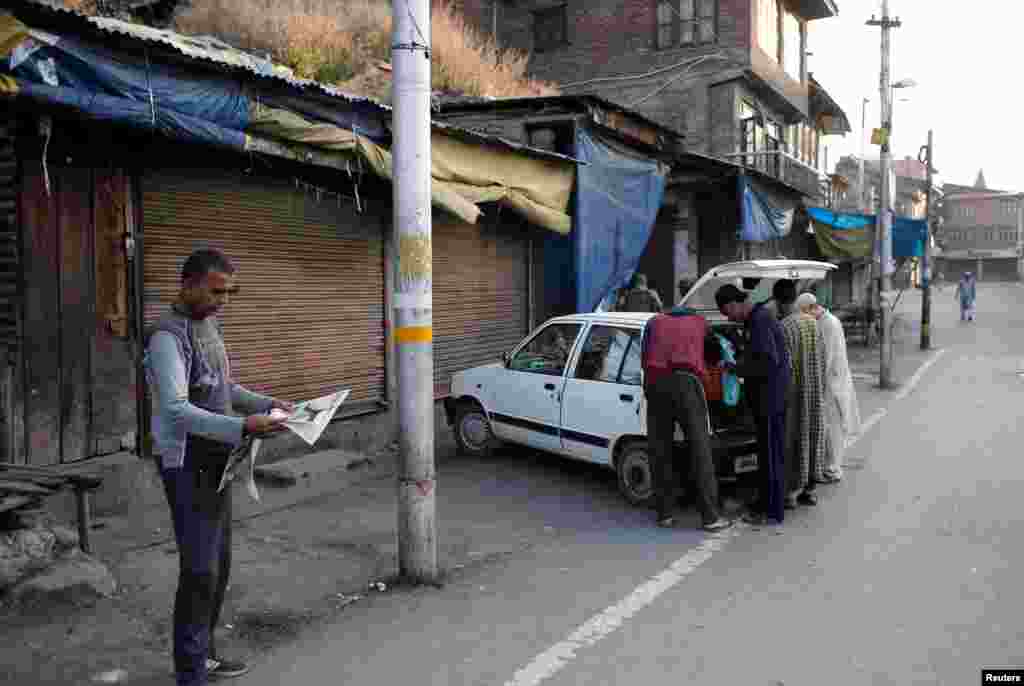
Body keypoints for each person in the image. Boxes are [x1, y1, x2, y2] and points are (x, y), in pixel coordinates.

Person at [146, 249, 293, 686]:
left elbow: (222, 386)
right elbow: (174, 410)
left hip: (218, 459)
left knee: (219, 563)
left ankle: (204, 655)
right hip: (187, 463)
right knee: (199, 569)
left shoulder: (207, 325)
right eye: (215, 291)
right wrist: (242, 424)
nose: (223, 300)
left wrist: (268, 403)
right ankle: (190, 672)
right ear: (188, 284)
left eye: (229, 292)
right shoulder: (166, 338)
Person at [642, 299, 732, 532]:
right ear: (690, 312)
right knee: (700, 448)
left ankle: (665, 514)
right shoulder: (699, 322)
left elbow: (644, 357)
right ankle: (711, 517)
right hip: (687, 383)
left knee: (659, 447)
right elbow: (714, 354)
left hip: (655, 383)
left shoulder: (653, 322)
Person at [715, 284, 790, 525]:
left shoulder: (760, 320)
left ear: (734, 304)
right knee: (766, 454)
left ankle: (773, 512)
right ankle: (764, 503)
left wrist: (737, 368)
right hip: (763, 399)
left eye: (728, 313)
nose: (729, 318)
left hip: (770, 399)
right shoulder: (753, 321)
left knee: (771, 455)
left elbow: (768, 361)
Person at [800, 293, 861, 483]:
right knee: (829, 426)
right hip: (834, 381)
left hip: (833, 383)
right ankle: (829, 466)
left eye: (804, 313)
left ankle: (832, 469)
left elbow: (826, 357)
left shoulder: (828, 324)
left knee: (832, 427)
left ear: (812, 308)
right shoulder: (827, 320)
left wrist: (813, 381)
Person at [777, 282, 826, 508]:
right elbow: (822, 357)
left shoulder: (784, 327)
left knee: (793, 440)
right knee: (812, 436)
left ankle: (790, 493)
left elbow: (783, 366)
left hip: (795, 394)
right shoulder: (813, 323)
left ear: (778, 302)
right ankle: (810, 489)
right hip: (815, 391)